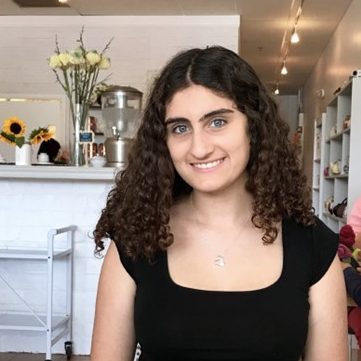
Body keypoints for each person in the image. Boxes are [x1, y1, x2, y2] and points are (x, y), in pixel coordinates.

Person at [91, 46, 347, 361]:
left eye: (217, 122)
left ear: (253, 126)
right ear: (164, 140)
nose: (199, 148)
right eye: (180, 128)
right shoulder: (136, 238)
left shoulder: (312, 246)